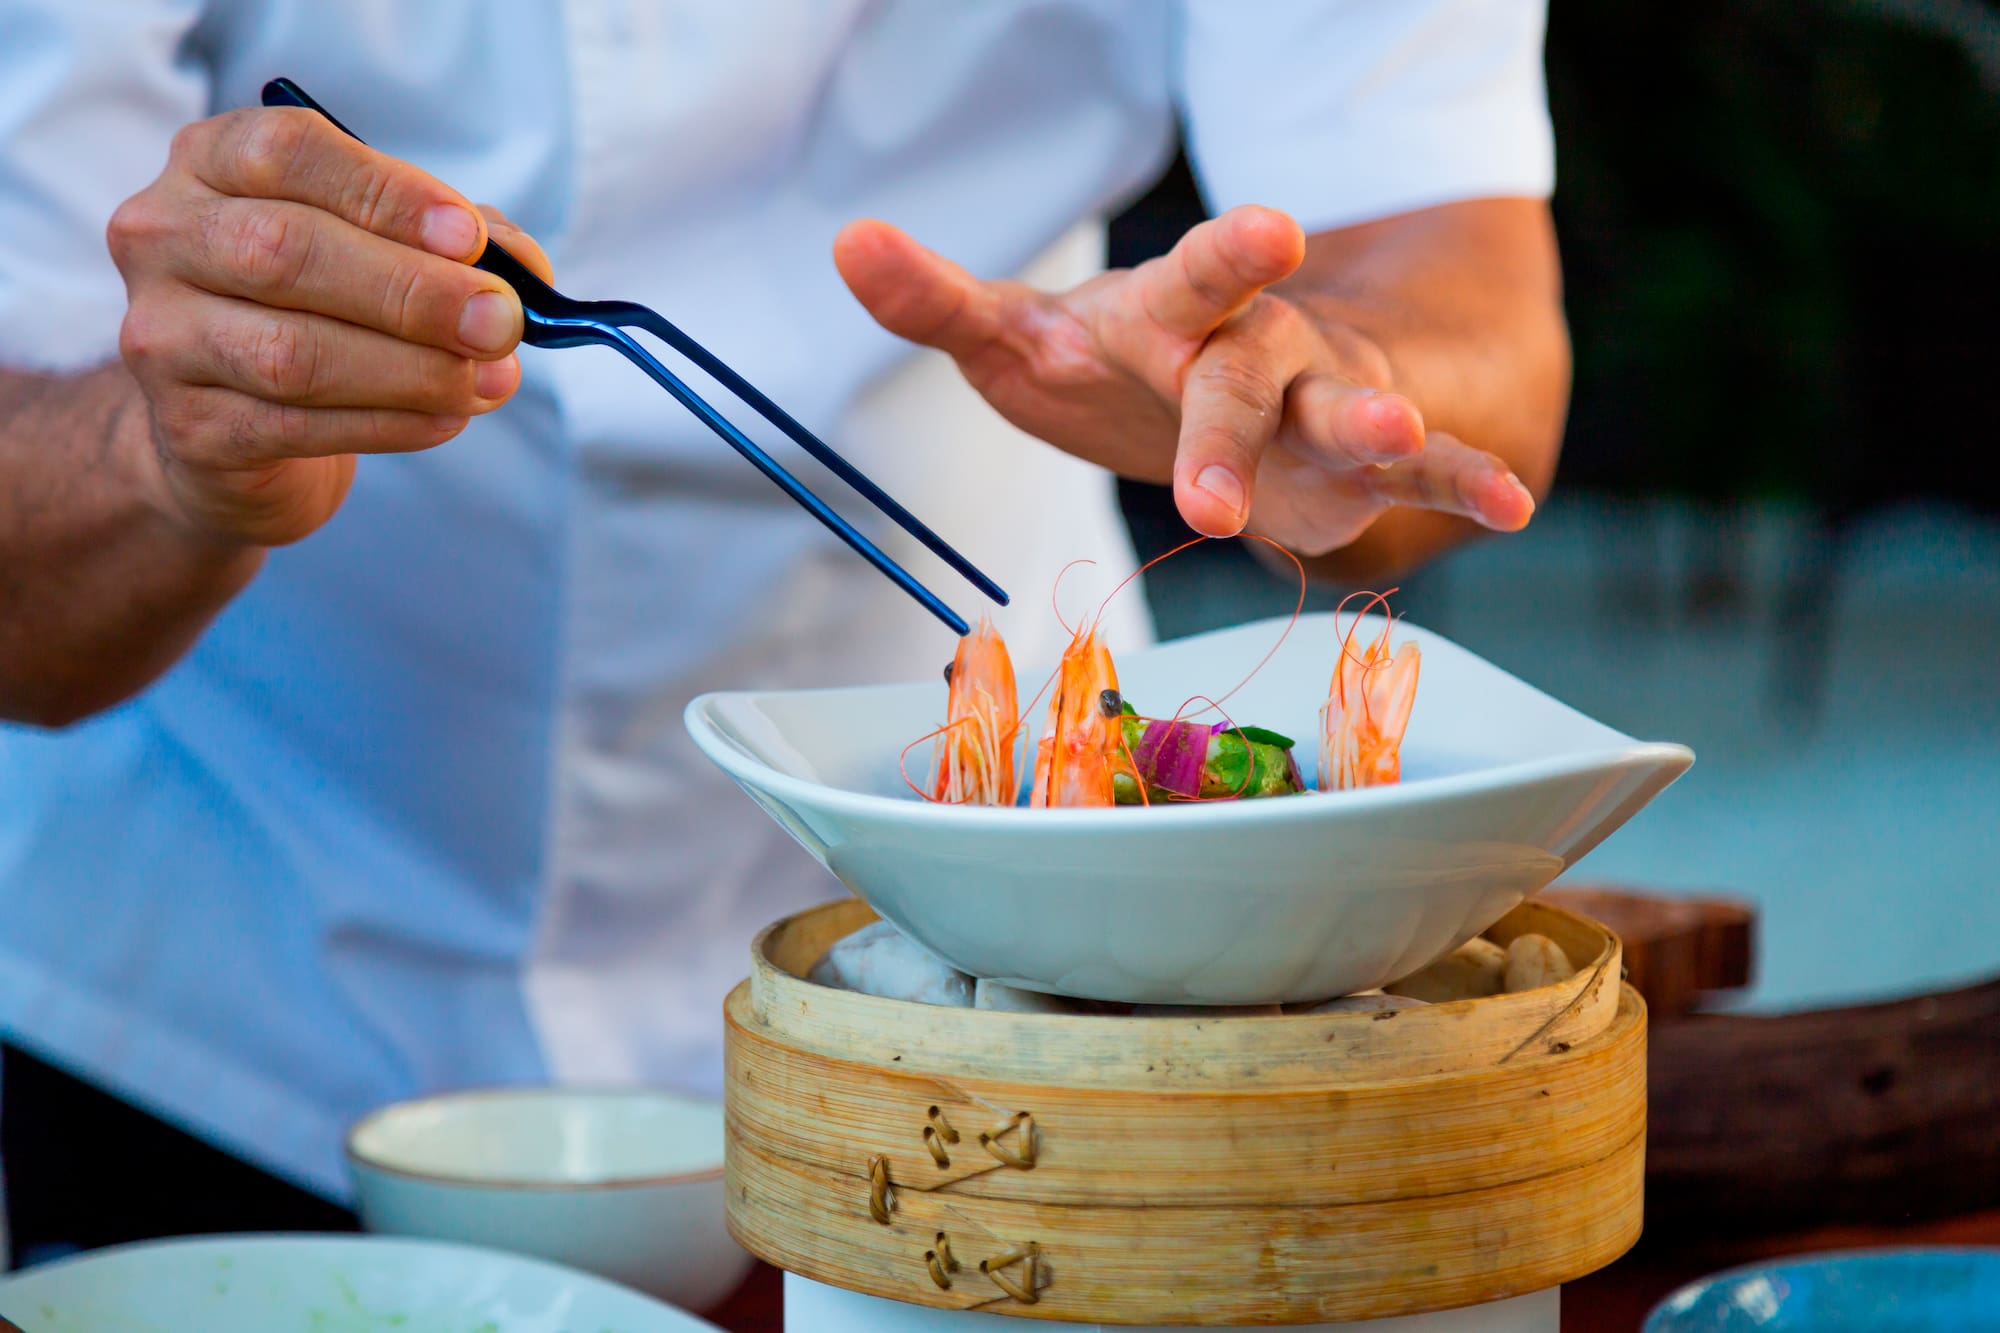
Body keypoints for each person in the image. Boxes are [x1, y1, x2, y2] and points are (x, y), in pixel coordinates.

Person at [0, 0, 1568, 1252]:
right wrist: (164, 453)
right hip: (220, 957)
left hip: (986, 972)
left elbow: (1476, 304)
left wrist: (1329, 376)